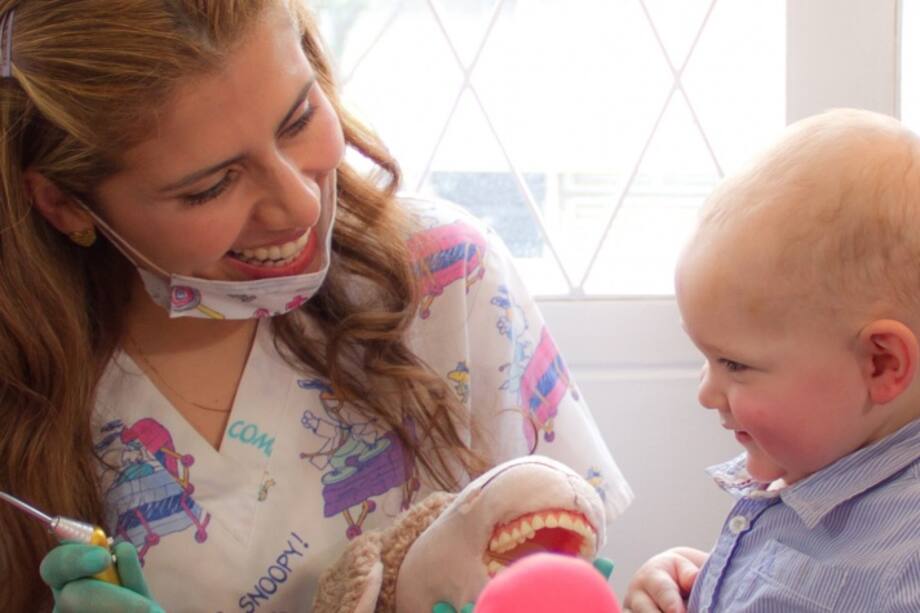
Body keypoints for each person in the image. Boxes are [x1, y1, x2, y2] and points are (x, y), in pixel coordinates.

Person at [0, 1, 634, 611]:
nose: (299, 206)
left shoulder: (446, 280)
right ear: (66, 205)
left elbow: (575, 561)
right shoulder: (26, 386)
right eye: (212, 186)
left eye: (298, 118)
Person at [623, 108, 920, 613]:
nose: (706, 393)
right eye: (706, 358)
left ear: (880, 364)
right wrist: (707, 582)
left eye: (733, 365)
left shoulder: (904, 565)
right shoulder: (817, 459)